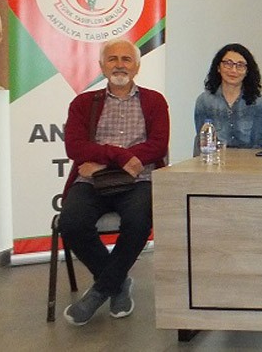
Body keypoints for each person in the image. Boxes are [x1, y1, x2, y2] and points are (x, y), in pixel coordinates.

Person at [59, 38, 170, 325]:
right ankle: (118, 283)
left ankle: (99, 292)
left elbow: (158, 145)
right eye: (112, 59)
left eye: (126, 59)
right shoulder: (83, 103)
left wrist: (105, 159)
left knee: (138, 222)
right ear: (101, 66)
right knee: (70, 224)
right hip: (92, 180)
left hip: (139, 179)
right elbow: (74, 147)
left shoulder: (155, 101)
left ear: (137, 67)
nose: (119, 65)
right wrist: (119, 158)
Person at [193, 43, 262, 153]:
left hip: (249, 162)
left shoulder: (258, 102)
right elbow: (202, 143)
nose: (233, 70)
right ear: (218, 67)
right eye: (228, 64)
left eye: (240, 65)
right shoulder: (204, 101)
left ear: (247, 71)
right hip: (215, 161)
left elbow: (261, 145)